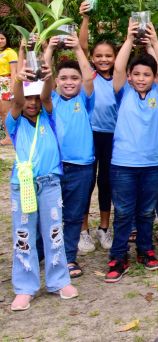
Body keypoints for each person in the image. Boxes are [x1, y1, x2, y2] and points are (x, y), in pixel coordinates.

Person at [7, 60, 78, 311]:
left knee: (54, 231)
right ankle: (25, 287)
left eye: (35, 98)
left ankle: (59, 280)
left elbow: (47, 96)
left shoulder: (49, 116)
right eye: (28, 98)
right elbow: (16, 101)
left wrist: (47, 77)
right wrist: (19, 78)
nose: (32, 103)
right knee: (23, 235)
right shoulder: (14, 122)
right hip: (22, 184)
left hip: (49, 183)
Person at [105, 20, 158, 283]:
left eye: (147, 75)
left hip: (153, 164)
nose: (141, 79)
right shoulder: (124, 93)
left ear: (153, 78)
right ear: (130, 77)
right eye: (137, 74)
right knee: (123, 212)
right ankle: (118, 256)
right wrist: (130, 39)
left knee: (146, 212)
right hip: (122, 164)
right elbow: (119, 66)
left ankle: (145, 250)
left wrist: (155, 41)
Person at [43, 33, 95, 279]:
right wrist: (49, 51)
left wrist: (77, 49)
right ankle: (47, 252)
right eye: (63, 78)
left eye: (73, 78)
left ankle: (69, 257)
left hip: (82, 167)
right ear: (56, 82)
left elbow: (87, 76)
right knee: (50, 213)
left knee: (74, 215)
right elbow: (41, 78)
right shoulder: (51, 100)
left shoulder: (85, 100)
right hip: (55, 167)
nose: (69, 82)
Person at [79, 3, 118, 250]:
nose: (103, 59)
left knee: (107, 182)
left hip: (112, 137)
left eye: (108, 55)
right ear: (92, 59)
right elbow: (81, 46)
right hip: (89, 135)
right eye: (99, 56)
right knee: (86, 181)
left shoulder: (121, 77)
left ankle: (104, 228)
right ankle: (83, 230)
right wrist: (85, 18)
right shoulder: (89, 75)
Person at [0, 30, 18, 146]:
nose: (0, 41)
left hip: (6, 82)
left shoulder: (10, 52)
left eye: (2, 38)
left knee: (6, 111)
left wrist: (12, 87)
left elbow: (14, 71)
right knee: (1, 112)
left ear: (6, 40)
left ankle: (9, 137)